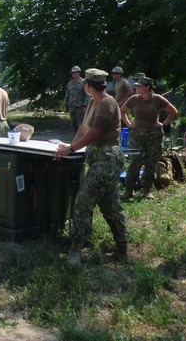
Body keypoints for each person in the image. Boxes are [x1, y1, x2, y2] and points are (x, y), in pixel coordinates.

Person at [54, 68, 129, 266]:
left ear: (88, 86)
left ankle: (76, 248)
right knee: (110, 204)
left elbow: (95, 132)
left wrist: (71, 149)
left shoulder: (106, 103)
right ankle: (122, 249)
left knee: (83, 202)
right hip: (97, 158)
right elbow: (83, 128)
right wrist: (70, 146)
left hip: (107, 159)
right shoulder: (92, 103)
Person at [120, 76, 178, 199]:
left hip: (154, 135)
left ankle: (147, 190)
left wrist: (164, 123)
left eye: (140, 86)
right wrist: (129, 124)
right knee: (135, 162)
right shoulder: (134, 99)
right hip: (137, 135)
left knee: (151, 163)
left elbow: (173, 111)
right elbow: (122, 111)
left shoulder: (157, 99)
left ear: (147, 87)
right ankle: (129, 190)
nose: (137, 87)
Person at [63, 66, 88, 131]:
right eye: (72, 73)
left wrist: (85, 105)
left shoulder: (84, 82)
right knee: (74, 123)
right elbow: (67, 95)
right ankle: (76, 137)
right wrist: (65, 106)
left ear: (79, 73)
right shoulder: (70, 83)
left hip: (80, 106)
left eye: (75, 72)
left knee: (81, 123)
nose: (73, 74)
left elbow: (87, 94)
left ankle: (82, 138)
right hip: (72, 106)